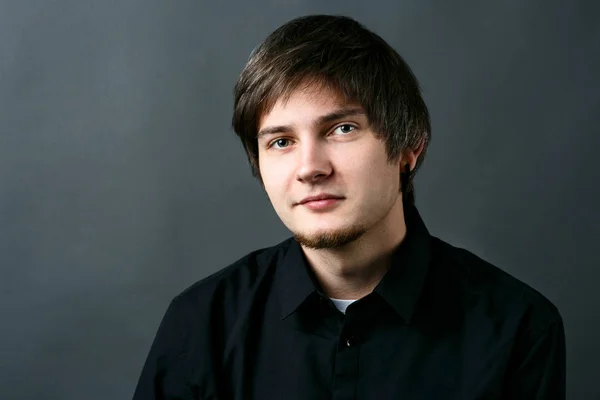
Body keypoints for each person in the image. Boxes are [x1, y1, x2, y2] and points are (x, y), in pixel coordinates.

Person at [132, 14, 565, 400]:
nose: (309, 168)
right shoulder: (200, 325)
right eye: (281, 141)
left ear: (408, 148)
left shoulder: (518, 327)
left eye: (341, 128)